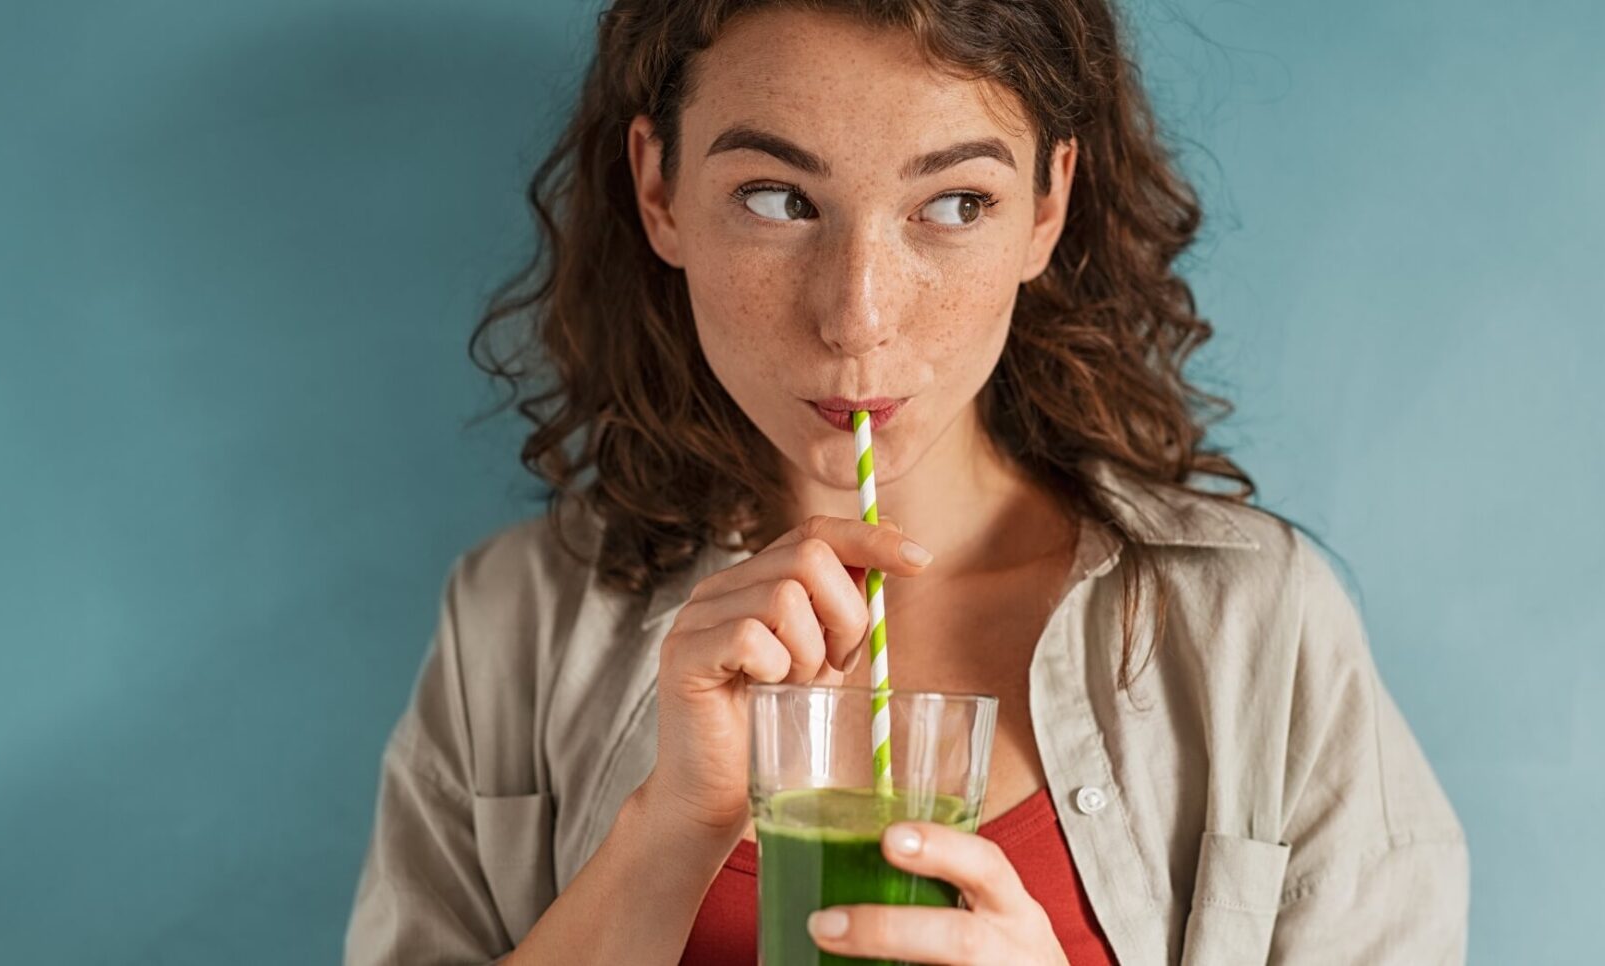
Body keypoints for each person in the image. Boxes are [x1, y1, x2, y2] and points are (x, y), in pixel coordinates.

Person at [343, 1, 1469, 963]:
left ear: (1045, 205)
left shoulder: (1255, 626)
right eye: (778, 198)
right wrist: (667, 828)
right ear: (659, 190)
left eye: (953, 203)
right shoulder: (511, 625)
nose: (857, 321)